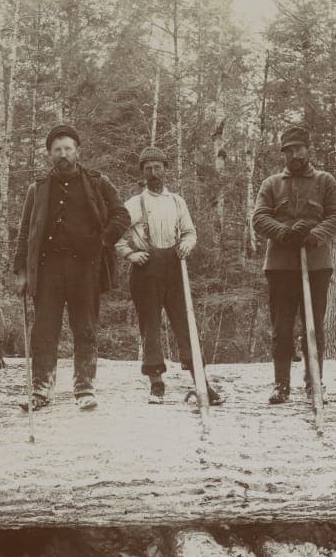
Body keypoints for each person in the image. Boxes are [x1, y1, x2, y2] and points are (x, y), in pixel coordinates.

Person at [13, 124, 131, 411]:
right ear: (49, 155)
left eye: (68, 148)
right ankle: (41, 390)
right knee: (44, 330)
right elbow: (25, 231)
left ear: (77, 151)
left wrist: (104, 242)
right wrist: (21, 271)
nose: (63, 154)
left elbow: (121, 215)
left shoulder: (97, 182)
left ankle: (85, 388)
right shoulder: (37, 188)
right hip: (48, 268)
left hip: (85, 268)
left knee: (85, 328)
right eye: (57, 150)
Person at [116, 146, 224, 406]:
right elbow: (115, 236)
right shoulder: (133, 204)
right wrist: (131, 255)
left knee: (185, 324)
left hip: (175, 269)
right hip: (146, 270)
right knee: (150, 325)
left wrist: (187, 244)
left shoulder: (177, 201)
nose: (153, 172)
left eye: (157, 167)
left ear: (165, 169)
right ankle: (156, 383)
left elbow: (189, 232)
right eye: (148, 168)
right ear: (142, 173)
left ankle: (201, 383)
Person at [252, 125, 336, 404]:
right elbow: (259, 218)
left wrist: (313, 234)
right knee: (281, 328)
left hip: (316, 265)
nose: (295, 155)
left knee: (313, 326)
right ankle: (281, 385)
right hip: (280, 266)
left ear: (308, 149)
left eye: (299, 149)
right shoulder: (271, 184)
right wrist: (284, 232)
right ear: (283, 154)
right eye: (289, 150)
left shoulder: (325, 181)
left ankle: (314, 382)